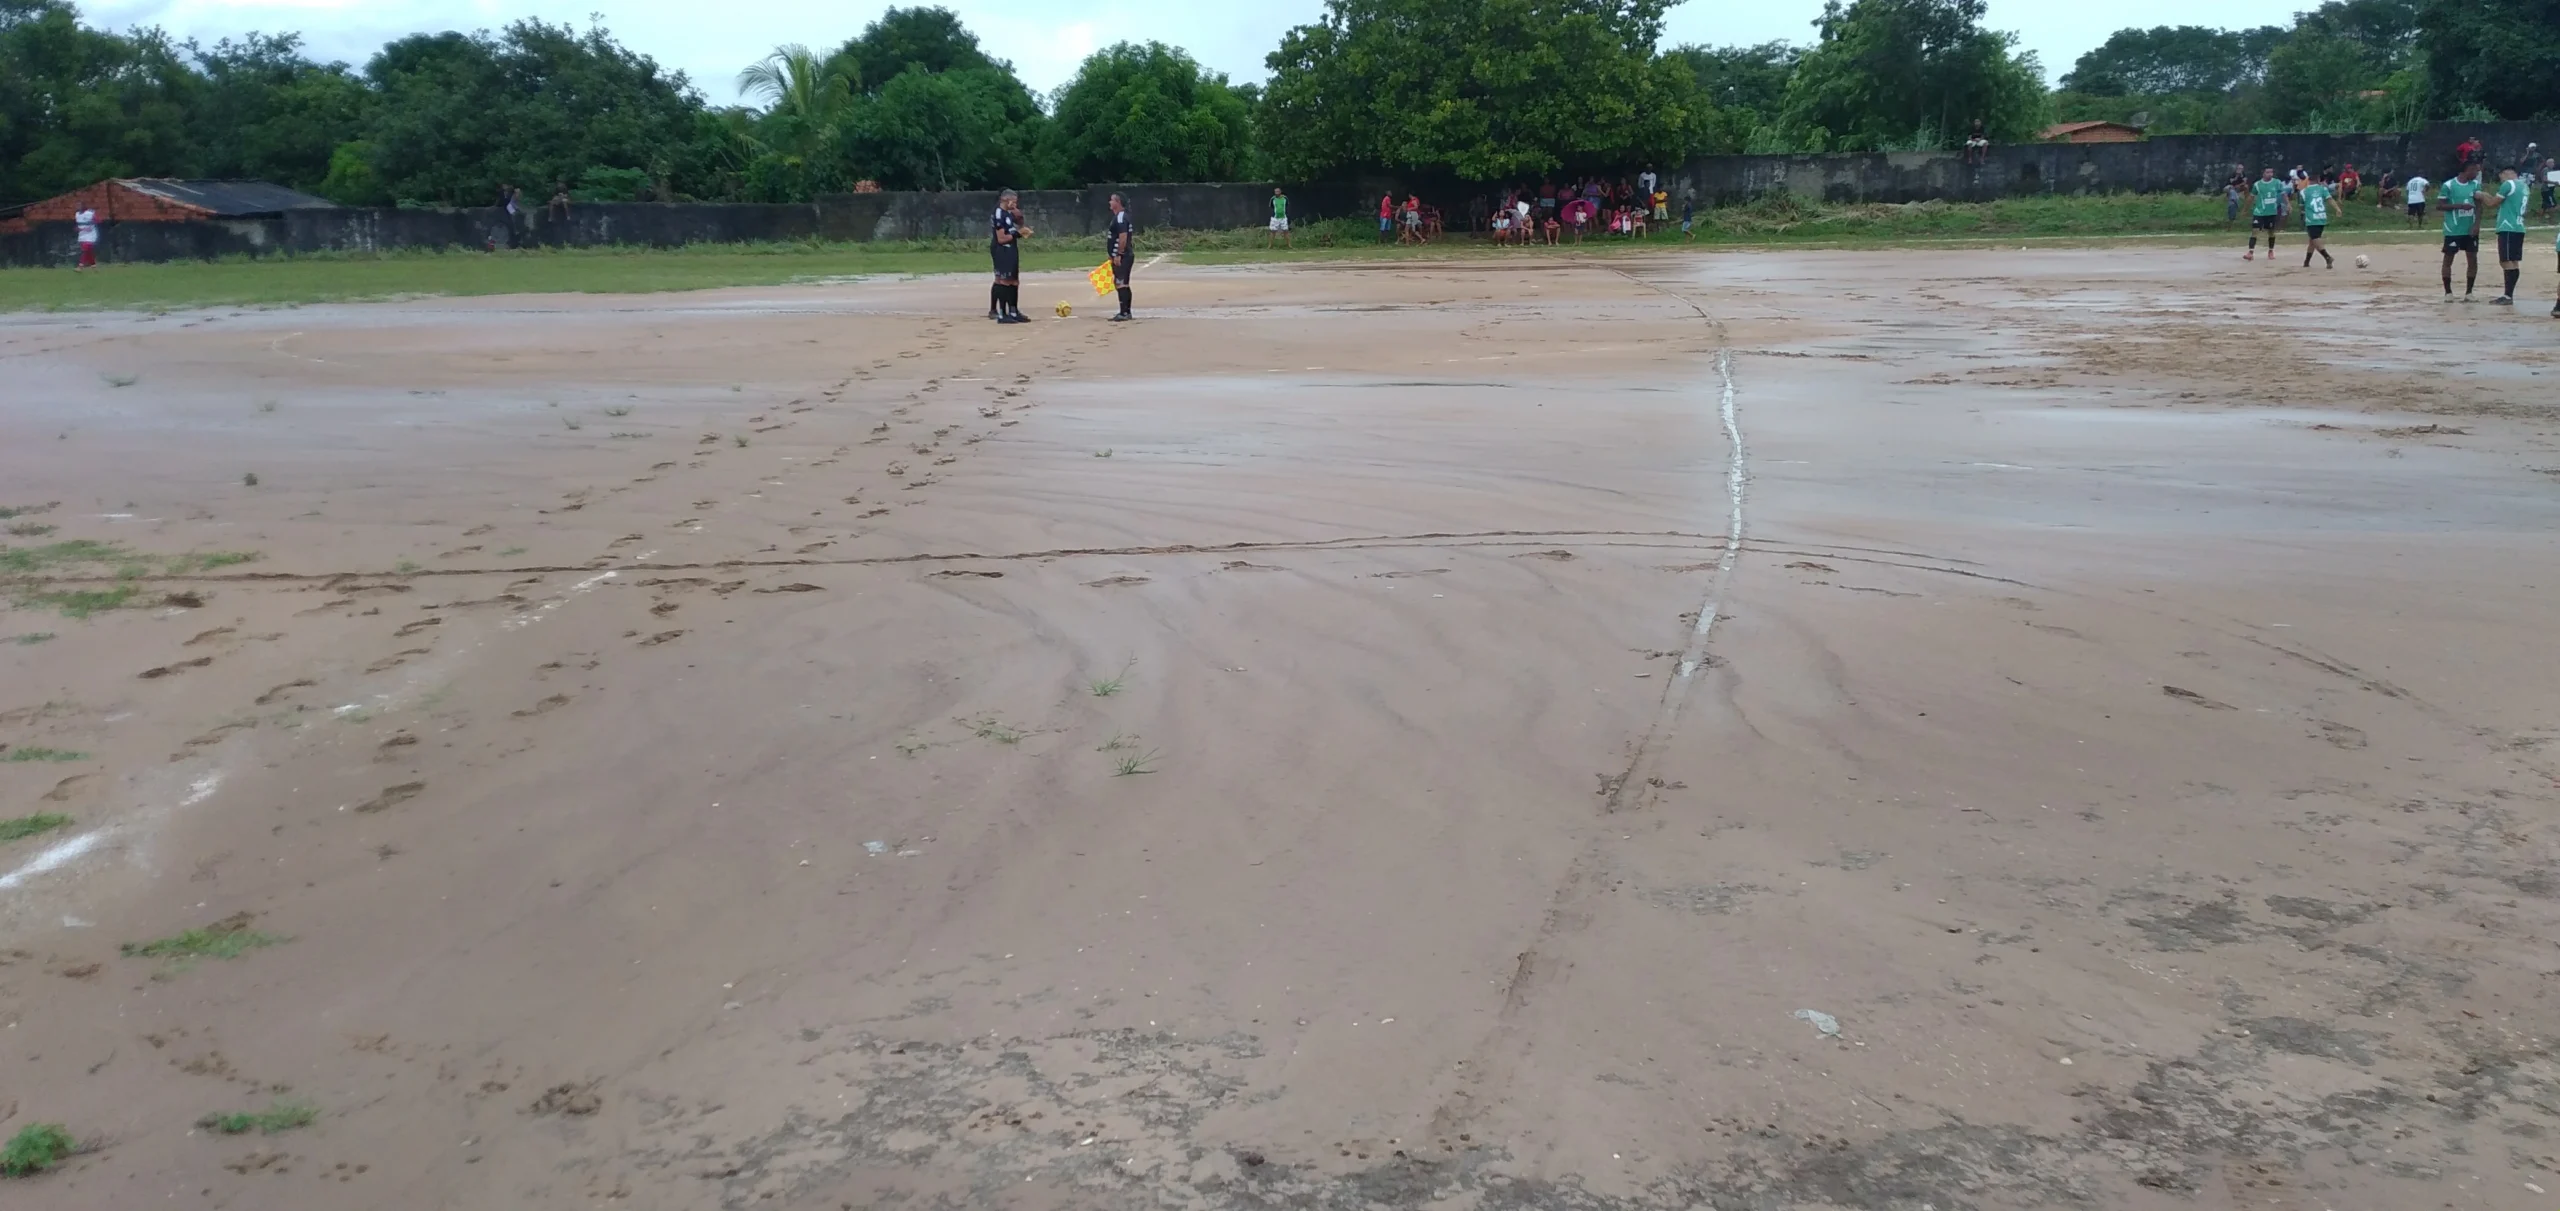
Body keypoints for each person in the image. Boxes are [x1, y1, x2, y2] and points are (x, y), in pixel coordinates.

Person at [2438, 164, 2484, 299]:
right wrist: (2459, 206)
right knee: (2448, 259)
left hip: (2470, 229)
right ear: (2466, 170)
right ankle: (2448, 292)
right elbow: (2440, 206)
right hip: (2453, 229)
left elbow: (2479, 207)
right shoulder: (2449, 185)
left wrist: (2477, 225)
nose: (2477, 173)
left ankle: (2469, 292)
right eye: (2475, 170)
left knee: (2472, 259)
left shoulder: (2475, 185)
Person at [2486, 166, 2529, 305]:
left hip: (2508, 226)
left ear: (2506, 173)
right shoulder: (2524, 186)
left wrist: (2482, 195)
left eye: (2501, 176)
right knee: (2513, 261)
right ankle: (2508, 294)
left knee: (2506, 261)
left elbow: (2493, 203)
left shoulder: (2508, 184)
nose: (2501, 180)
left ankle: (2508, 295)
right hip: (2518, 226)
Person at [988, 188, 1029, 323]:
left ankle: (1013, 310)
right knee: (1003, 280)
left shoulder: (1008, 213)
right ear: (1006, 200)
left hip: (1011, 248)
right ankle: (1001, 313)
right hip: (1002, 249)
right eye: (1014, 202)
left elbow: (1019, 223)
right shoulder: (999, 214)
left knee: (1014, 281)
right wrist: (1018, 234)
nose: (1015, 204)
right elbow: (1001, 238)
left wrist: (1019, 216)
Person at [2296, 172, 2337, 269]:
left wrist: (2302, 215)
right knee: (2313, 240)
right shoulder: (2323, 189)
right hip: (2321, 216)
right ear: (2318, 180)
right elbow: (2330, 199)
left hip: (2312, 218)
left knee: (2315, 239)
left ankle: (2327, 257)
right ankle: (2307, 261)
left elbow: (2301, 207)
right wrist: (2337, 209)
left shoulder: (2303, 191)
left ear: (2308, 181)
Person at [1106, 191, 1135, 321]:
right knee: (1122, 283)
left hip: (1123, 256)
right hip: (1122, 256)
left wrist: (1118, 254)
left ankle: (1124, 313)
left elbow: (1122, 237)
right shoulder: (1121, 216)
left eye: (1112, 200)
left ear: (1118, 202)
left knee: (1121, 283)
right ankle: (1126, 311)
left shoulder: (1120, 217)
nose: (1110, 202)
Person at [2244, 168, 2285, 260]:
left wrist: (2288, 204)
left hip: (2271, 212)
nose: (2270, 174)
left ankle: (2271, 250)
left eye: (2271, 172)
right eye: (2268, 172)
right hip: (2259, 212)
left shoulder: (2277, 183)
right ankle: (2250, 252)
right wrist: (2245, 209)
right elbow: (2251, 196)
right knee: (2255, 231)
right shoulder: (2257, 184)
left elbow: (2283, 194)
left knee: (2271, 232)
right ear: (2263, 173)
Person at [73, 205, 99, 269]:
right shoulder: (77, 214)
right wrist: (79, 229)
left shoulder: (89, 213)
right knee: (88, 251)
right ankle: (93, 265)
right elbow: (77, 226)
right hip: (82, 235)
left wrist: (93, 221)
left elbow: (98, 220)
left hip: (91, 234)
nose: (77, 207)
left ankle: (80, 266)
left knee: (86, 248)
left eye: (79, 205)